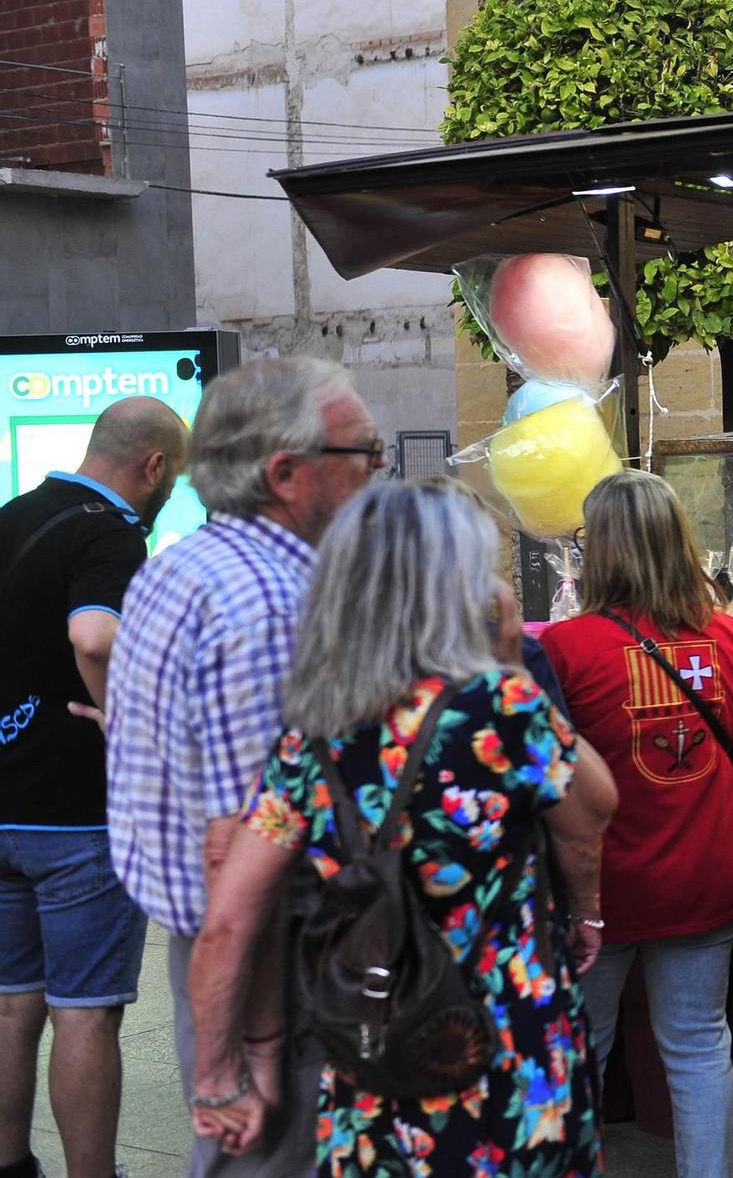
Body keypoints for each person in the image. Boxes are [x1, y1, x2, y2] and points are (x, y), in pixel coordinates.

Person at [185, 480, 618, 1176]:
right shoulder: (497, 705)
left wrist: (220, 1076)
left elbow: (229, 921)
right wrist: (509, 663)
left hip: (373, 1052)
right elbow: (595, 807)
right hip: (507, 1057)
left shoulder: (312, 732)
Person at [103, 357, 380, 1176]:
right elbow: (241, 858)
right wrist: (245, 1049)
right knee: (261, 1151)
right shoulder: (270, 603)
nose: (373, 469)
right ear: (287, 474)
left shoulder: (180, 565)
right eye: (362, 451)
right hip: (270, 969)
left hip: (228, 954)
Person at [538, 469, 733, 1178]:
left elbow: (551, 775)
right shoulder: (731, 635)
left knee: (581, 1050)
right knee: (700, 1047)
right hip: (701, 875)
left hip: (602, 886)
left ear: (600, 550)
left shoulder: (565, 647)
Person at [0, 398, 187, 1178]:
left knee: (12, 1004)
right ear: (153, 467)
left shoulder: (10, 515)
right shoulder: (110, 533)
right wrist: (124, 718)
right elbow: (95, 633)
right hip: (79, 815)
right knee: (85, 1012)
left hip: (4, 804)